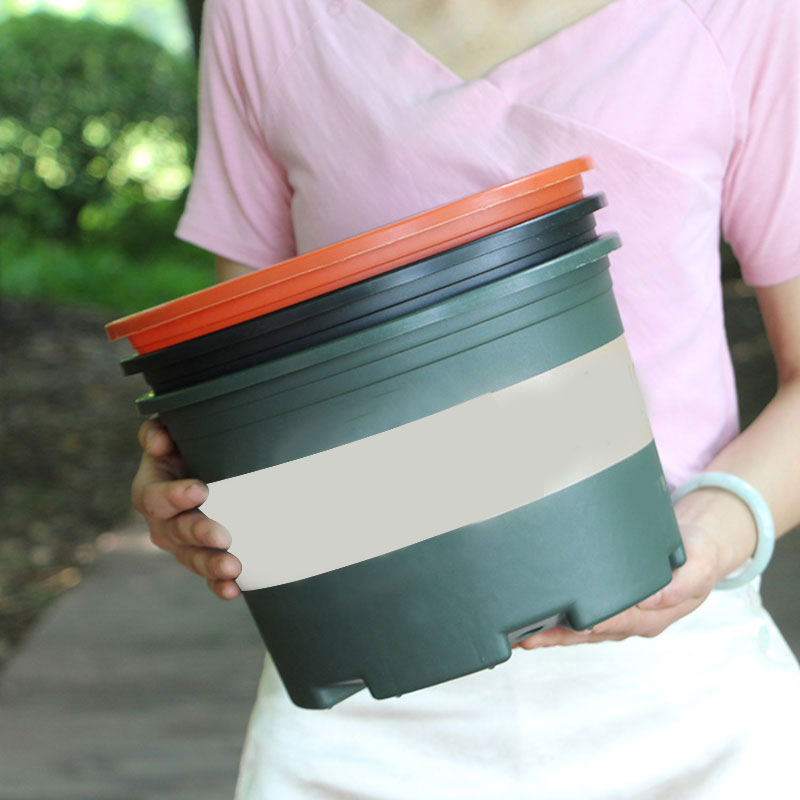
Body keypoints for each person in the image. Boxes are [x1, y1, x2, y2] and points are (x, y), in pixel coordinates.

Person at [132, 0, 800, 796]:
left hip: (685, 689)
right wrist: (195, 487)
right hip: (363, 696)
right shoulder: (266, 13)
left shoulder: (744, 13)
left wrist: (717, 531)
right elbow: (244, 369)